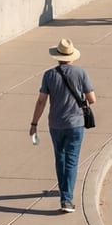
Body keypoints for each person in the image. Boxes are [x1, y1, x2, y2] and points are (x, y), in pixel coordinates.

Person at [29, 39, 96, 214]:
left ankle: (64, 191)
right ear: (72, 56)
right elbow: (92, 99)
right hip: (75, 124)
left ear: (57, 57)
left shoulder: (49, 75)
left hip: (56, 124)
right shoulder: (81, 73)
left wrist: (34, 123)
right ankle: (66, 199)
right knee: (72, 160)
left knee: (60, 158)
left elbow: (41, 101)